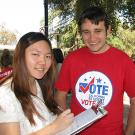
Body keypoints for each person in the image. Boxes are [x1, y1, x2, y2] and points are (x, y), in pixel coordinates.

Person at [54, 6, 135, 135]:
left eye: (98, 31)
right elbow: (59, 96)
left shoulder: (124, 61)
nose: (92, 38)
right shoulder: (72, 59)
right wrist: (67, 127)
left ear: (108, 30)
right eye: (86, 32)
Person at [0, 32, 74, 135]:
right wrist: (55, 127)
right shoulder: (5, 94)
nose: (43, 61)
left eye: (48, 56)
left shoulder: (39, 84)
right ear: (20, 56)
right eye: (35, 54)